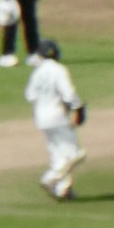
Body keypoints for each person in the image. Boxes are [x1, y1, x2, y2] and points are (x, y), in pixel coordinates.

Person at [26, 38, 91, 200]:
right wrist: (78, 107)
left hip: (41, 118)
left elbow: (30, 95)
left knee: (58, 154)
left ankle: (62, 190)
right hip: (58, 116)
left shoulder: (38, 72)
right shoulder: (59, 70)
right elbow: (68, 94)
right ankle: (50, 178)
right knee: (75, 154)